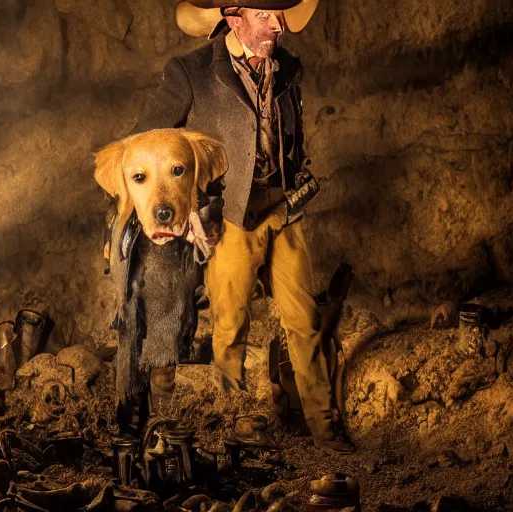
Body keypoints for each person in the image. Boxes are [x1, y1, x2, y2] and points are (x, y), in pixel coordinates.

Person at [132, 0, 355, 453]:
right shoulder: (191, 71)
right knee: (230, 325)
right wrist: (183, 202)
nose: (278, 26)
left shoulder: (287, 67)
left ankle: (325, 430)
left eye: (278, 16)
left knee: (305, 320)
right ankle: (234, 426)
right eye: (265, 17)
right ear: (235, 19)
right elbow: (146, 142)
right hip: (231, 216)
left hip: (283, 210)